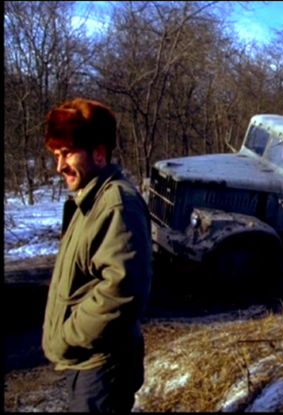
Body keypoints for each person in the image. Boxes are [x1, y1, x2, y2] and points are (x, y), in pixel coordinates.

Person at [41, 98, 152, 412]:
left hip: (102, 368)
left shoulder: (115, 203)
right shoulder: (89, 199)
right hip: (89, 363)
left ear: (99, 154)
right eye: (56, 155)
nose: (59, 166)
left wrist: (67, 336)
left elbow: (122, 289)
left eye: (66, 154)